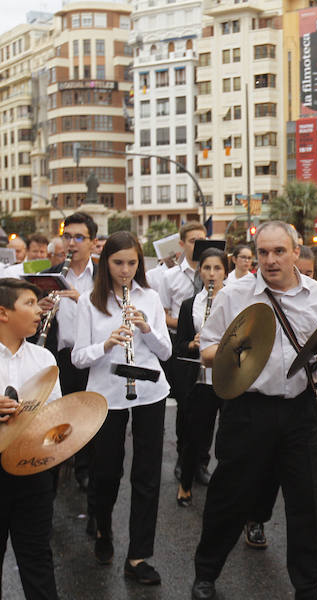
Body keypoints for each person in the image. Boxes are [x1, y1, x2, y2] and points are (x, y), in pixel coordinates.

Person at [191, 221, 317, 600]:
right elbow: (206, 351)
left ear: (296, 251)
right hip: (247, 411)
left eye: (279, 251)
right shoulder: (235, 293)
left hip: (300, 411)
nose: (270, 260)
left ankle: (309, 587)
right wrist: (236, 351)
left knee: (308, 504)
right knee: (230, 497)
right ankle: (206, 574)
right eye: (263, 253)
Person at [71, 231, 172, 584]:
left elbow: (166, 353)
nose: (125, 270)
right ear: (105, 263)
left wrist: (145, 327)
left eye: (132, 263)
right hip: (106, 393)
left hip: (150, 391)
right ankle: (102, 529)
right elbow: (78, 357)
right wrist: (106, 343)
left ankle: (138, 556)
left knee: (146, 476)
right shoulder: (89, 302)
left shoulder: (150, 297)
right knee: (106, 471)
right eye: (118, 263)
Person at [0, 278, 63, 600]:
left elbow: (58, 419)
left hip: (33, 468)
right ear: (3, 313)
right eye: (28, 303)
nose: (39, 311)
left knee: (37, 557)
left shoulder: (44, 358)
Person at [37, 212, 98, 495]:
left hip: (92, 356)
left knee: (87, 415)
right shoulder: (50, 276)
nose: (71, 242)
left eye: (78, 237)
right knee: (58, 415)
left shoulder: (103, 275)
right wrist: (41, 308)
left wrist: (80, 298)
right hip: (60, 356)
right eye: (67, 236)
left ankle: (85, 468)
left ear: (92, 242)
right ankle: (56, 464)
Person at [174, 248, 228, 507]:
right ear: (200, 271)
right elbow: (180, 345)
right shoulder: (189, 305)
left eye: (217, 268)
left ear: (225, 272)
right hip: (199, 378)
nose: (212, 274)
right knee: (194, 434)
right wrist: (194, 344)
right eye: (207, 268)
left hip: (227, 378)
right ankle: (185, 483)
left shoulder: (234, 301)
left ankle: (225, 487)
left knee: (227, 437)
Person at [158, 222, 206, 479]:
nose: (198, 245)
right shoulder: (170, 277)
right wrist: (189, 326)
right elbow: (163, 315)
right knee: (186, 408)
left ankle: (202, 461)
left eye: (203, 239)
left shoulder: (213, 272)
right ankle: (183, 458)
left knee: (207, 408)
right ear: (182, 244)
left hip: (209, 349)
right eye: (193, 240)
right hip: (183, 346)